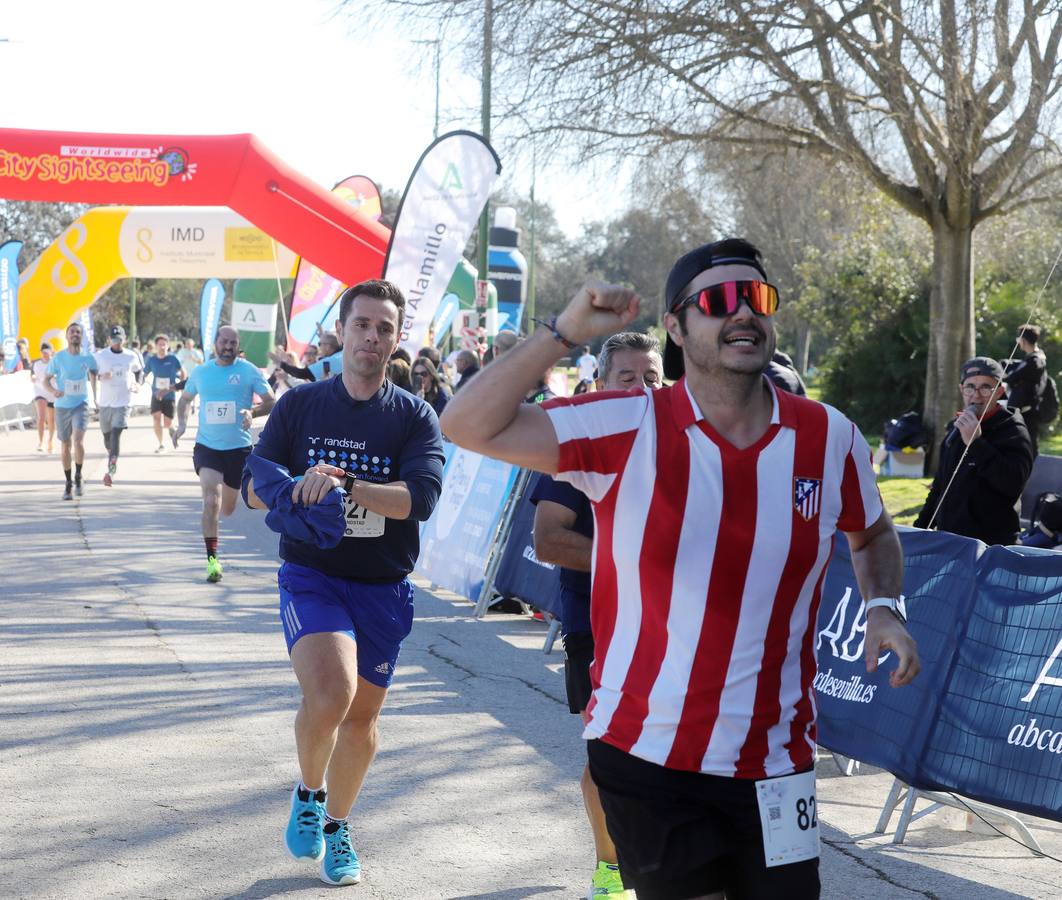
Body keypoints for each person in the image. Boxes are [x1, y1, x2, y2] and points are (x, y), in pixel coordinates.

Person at [440, 238, 920, 900]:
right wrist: (562, 333)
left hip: (776, 766)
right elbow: (464, 423)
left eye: (756, 298)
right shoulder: (622, 424)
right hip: (649, 756)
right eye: (718, 302)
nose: (742, 314)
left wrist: (883, 609)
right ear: (676, 326)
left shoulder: (827, 435)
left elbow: (872, 535)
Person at [241, 279, 445, 888]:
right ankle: (308, 791)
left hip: (383, 584)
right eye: (362, 325)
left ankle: (337, 825)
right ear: (343, 330)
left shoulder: (414, 416)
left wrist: (346, 484)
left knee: (360, 722)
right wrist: (297, 486)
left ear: (396, 339)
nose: (372, 338)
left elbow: (420, 501)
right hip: (313, 574)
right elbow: (254, 490)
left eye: (385, 329)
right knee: (330, 695)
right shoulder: (300, 406)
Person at [532, 331, 663, 899]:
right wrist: (630, 562)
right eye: (628, 378)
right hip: (599, 627)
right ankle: (610, 868)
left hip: (672, 628)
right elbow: (548, 540)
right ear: (602, 385)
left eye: (652, 377)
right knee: (609, 757)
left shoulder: (686, 444)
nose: (642, 389)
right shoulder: (580, 444)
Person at [175, 325, 276, 582]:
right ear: (215, 344)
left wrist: (252, 413)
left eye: (233, 343)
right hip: (207, 447)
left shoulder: (248, 371)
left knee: (228, 509)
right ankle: (212, 562)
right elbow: (185, 399)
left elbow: (271, 400)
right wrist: (182, 424)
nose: (228, 347)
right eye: (224, 342)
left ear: (237, 345)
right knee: (211, 500)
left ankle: (215, 521)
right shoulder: (201, 372)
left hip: (238, 450)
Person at [914, 356, 1034, 546]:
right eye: (970, 387)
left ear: (999, 392)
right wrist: (918, 530)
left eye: (986, 387)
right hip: (950, 540)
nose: (976, 395)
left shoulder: (1014, 431)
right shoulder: (955, 427)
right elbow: (940, 487)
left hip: (992, 546)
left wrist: (976, 443)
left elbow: (1012, 484)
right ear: (962, 389)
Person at [47, 322, 99, 500]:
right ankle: (68, 482)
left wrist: (95, 397)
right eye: (72, 332)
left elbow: (94, 375)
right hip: (62, 406)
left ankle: (78, 475)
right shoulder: (59, 358)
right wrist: (53, 391)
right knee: (65, 444)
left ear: (81, 336)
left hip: (81, 404)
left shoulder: (88, 357)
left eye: (78, 332)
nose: (75, 334)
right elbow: (45, 379)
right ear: (67, 336)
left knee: (78, 441)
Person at [93, 325, 144, 486]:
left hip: (123, 403)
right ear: (109, 340)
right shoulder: (101, 355)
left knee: (116, 435)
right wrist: (101, 376)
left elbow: (139, 371)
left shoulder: (130, 356)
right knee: (107, 438)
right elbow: (92, 373)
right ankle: (112, 455)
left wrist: (138, 384)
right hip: (106, 403)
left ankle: (111, 470)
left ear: (125, 339)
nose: (117, 343)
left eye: (120, 340)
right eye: (114, 340)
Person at [1004, 324, 1048, 455]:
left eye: (1019, 339)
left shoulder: (1035, 360)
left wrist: (1007, 376)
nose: (1018, 343)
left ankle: (1033, 473)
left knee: (1029, 447)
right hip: (1025, 411)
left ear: (1023, 340)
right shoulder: (1033, 358)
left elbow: (1012, 378)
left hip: (1027, 412)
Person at [142, 334, 185, 452]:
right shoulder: (152, 360)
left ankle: (171, 428)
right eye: (159, 344)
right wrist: (140, 381)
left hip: (169, 395)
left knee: (167, 422)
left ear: (167, 346)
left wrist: (180, 385)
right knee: (156, 418)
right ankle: (161, 444)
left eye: (164, 344)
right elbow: (144, 373)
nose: (162, 347)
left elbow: (183, 372)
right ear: (156, 346)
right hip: (156, 394)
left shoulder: (173, 359)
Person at [31, 343, 56, 453]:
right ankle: (40, 442)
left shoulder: (56, 364)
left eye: (47, 353)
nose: (45, 355)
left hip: (52, 392)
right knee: (41, 417)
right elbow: (32, 375)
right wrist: (33, 377)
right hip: (40, 391)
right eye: (43, 353)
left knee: (51, 419)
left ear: (51, 352)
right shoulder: (36, 364)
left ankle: (50, 441)